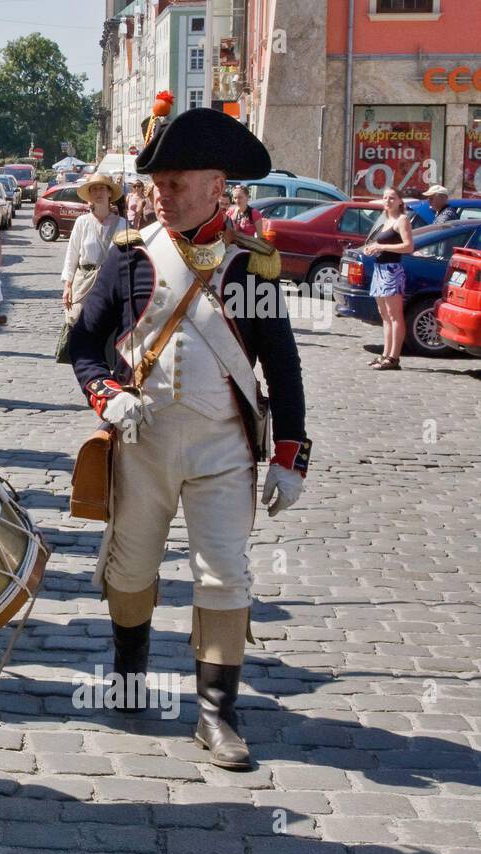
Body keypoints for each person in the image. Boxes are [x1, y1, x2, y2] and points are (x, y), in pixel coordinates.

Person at [68, 107, 309, 771]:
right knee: (130, 568)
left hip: (224, 450)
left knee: (225, 573)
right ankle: (129, 670)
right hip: (142, 444)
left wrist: (290, 454)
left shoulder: (252, 266)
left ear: (215, 185)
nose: (161, 195)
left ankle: (216, 713)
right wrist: (106, 395)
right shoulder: (128, 258)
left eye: (176, 183)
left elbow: (281, 367)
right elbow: (84, 345)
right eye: (159, 183)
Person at [59, 173, 124, 364]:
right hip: (84, 280)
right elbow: (72, 254)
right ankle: (85, 361)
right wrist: (67, 285)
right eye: (94, 189)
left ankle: (107, 362)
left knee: (108, 325)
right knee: (81, 323)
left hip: (111, 283)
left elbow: (129, 259)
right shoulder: (82, 222)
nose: (98, 193)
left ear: (109, 193)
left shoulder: (123, 225)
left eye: (102, 188)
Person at [362, 186, 414, 371]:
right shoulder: (385, 219)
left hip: (392, 270)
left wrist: (382, 248)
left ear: (400, 201)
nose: (388, 201)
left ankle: (394, 357)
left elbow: (408, 246)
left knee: (394, 315)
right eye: (385, 197)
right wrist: (372, 248)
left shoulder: (402, 220)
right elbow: (379, 243)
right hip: (379, 269)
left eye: (392, 197)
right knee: (384, 315)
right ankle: (386, 354)